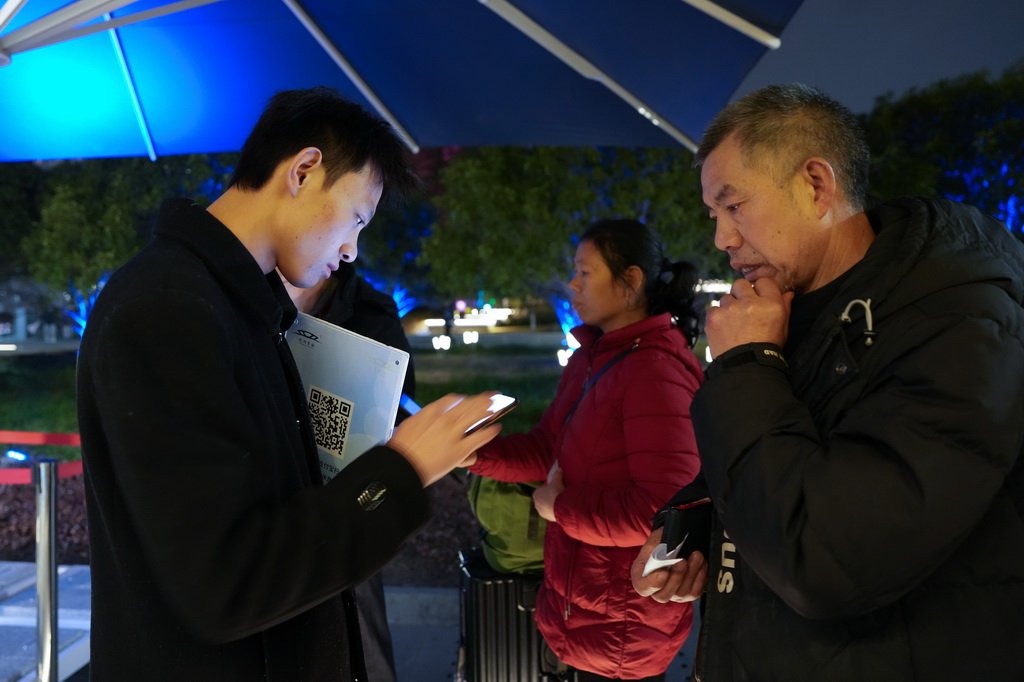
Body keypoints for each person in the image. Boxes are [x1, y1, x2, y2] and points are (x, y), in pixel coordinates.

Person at [76, 86, 501, 680]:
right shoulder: (168, 308)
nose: (353, 249)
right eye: (356, 218)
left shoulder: (237, 306)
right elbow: (230, 582)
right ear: (303, 170)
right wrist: (402, 469)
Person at [631, 83, 1024, 681]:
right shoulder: (798, 311)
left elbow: (828, 560)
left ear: (816, 184)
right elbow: (784, 456)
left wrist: (743, 367)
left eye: (735, 206)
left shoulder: (958, 326)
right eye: (714, 214)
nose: (722, 239)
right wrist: (691, 527)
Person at [463, 219, 704, 681]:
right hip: (581, 614)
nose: (572, 283)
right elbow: (549, 448)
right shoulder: (593, 358)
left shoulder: (656, 370)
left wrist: (559, 508)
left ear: (630, 282)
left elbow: (663, 514)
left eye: (584, 272)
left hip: (627, 631)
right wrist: (472, 453)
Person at [280, 261, 414, 682]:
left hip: (348, 499)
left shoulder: (371, 309)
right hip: (276, 493)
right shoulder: (254, 300)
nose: (347, 246)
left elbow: (398, 397)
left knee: (361, 633)